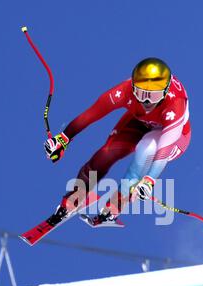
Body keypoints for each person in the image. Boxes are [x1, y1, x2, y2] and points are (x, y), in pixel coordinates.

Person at [44, 57, 191, 227]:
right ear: (133, 87)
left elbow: (164, 147)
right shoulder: (125, 90)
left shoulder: (176, 103)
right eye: (142, 93)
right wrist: (64, 138)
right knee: (106, 153)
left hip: (174, 137)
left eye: (154, 95)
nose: (147, 101)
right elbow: (93, 113)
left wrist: (149, 180)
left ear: (165, 92)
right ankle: (73, 199)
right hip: (140, 122)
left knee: (146, 148)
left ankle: (114, 208)